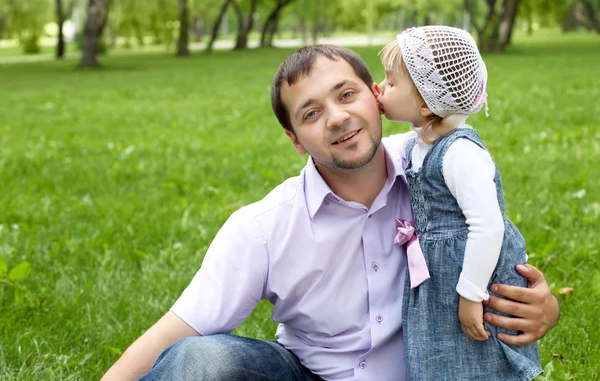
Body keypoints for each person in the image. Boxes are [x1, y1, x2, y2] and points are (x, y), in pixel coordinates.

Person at [102, 45, 559, 381]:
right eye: (311, 113)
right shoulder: (264, 228)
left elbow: (494, 253)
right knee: (201, 361)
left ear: (376, 97)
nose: (337, 118)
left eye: (346, 95)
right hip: (310, 376)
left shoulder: (436, 171)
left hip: (433, 371)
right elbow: (178, 331)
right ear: (296, 140)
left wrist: (544, 309)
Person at [374, 25, 542, 380]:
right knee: (443, 353)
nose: (381, 88)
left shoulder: (459, 154)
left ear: (425, 101)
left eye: (390, 83)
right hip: (440, 273)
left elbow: (488, 226)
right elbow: (382, 147)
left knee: (477, 353)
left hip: (470, 273)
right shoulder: (421, 142)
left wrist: (470, 294)